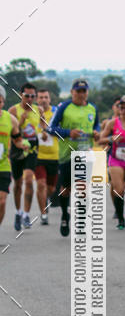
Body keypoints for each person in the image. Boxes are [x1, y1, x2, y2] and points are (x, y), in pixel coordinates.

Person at [50, 79, 100, 236]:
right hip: (67, 155)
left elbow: (96, 125)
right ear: (72, 92)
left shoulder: (92, 108)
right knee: (66, 190)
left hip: (85, 154)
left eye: (84, 91)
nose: (81, 94)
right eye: (78, 91)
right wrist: (68, 133)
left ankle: (80, 222)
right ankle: (65, 215)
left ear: (87, 92)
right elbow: (50, 129)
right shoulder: (64, 107)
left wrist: (97, 132)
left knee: (83, 188)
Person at [98, 95, 125, 229]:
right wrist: (111, 138)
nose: (123, 111)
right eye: (121, 108)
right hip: (115, 160)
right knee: (118, 190)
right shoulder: (112, 123)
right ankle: (120, 218)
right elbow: (101, 139)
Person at [8, 82, 41, 231]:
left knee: (29, 180)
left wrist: (45, 132)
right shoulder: (13, 110)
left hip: (32, 149)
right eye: (27, 95)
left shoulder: (38, 110)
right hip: (17, 150)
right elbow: (11, 131)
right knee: (18, 183)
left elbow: (43, 128)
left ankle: (26, 214)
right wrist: (21, 121)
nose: (29, 99)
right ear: (21, 95)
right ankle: (18, 212)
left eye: (32, 96)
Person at [0, 86, 25, 231]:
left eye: (0, 102)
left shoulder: (10, 119)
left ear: (3, 102)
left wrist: (23, 145)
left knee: (2, 202)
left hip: (3, 166)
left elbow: (17, 140)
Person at [35, 89, 58, 225]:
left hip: (54, 155)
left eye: (46, 97)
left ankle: (46, 199)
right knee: (41, 184)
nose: (43, 100)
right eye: (41, 97)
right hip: (38, 155)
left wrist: (48, 130)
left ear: (50, 99)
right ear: (37, 99)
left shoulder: (56, 113)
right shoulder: (33, 113)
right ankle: (43, 214)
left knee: (51, 189)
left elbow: (62, 129)